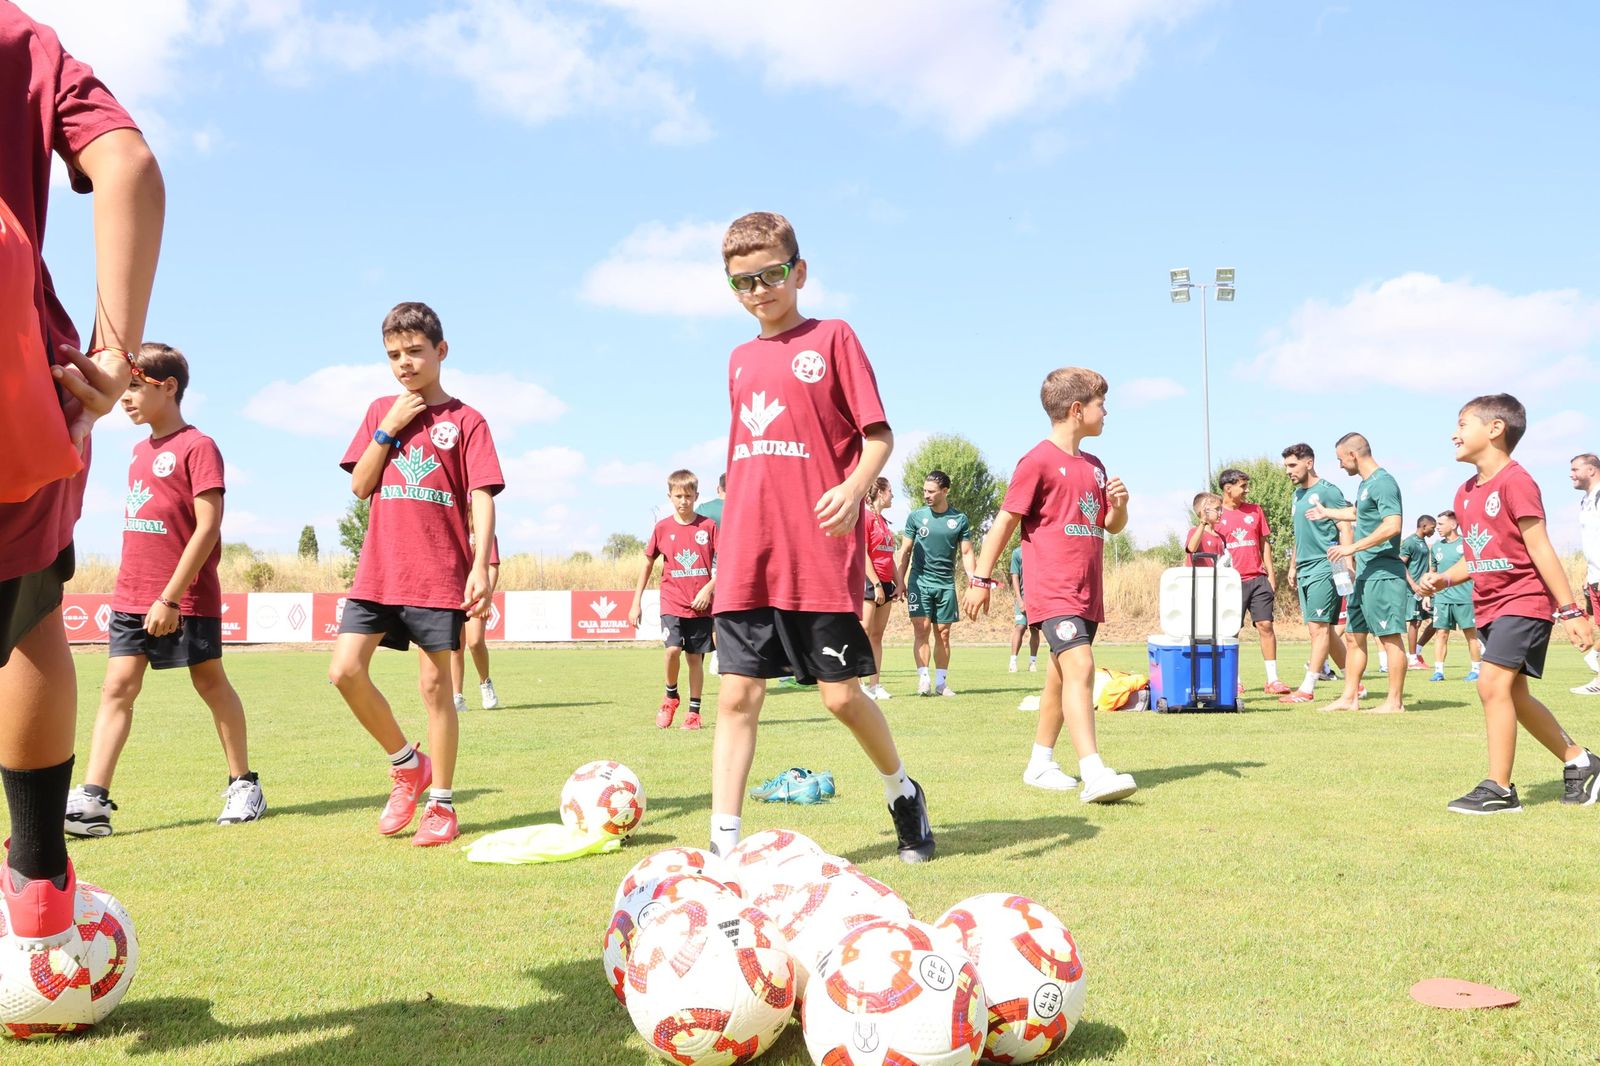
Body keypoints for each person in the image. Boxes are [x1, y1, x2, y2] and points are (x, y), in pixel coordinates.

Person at [1, 3, 164, 945]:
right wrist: (111, 358)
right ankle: (36, 887)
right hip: (18, 385)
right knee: (26, 624)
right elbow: (130, 164)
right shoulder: (17, 37)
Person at [710, 211, 933, 863]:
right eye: (742, 282)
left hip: (817, 555)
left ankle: (902, 792)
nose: (759, 291)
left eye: (770, 275)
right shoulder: (738, 360)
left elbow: (879, 435)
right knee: (737, 695)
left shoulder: (833, 338)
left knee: (840, 697)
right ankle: (724, 850)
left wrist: (854, 484)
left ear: (797, 272)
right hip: (749, 555)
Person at [64, 344, 262, 836]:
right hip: (131, 594)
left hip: (183, 596)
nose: (125, 398)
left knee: (209, 683)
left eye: (134, 387)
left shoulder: (198, 446)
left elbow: (208, 527)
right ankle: (93, 800)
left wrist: (171, 596)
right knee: (116, 688)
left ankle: (244, 785)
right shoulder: (137, 452)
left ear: (167, 386)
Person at [328, 302, 503, 847]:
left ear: (441, 351)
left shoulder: (467, 421)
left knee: (435, 689)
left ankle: (442, 804)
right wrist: (388, 428)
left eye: (415, 352)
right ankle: (407, 764)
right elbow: (359, 488)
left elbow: (481, 499)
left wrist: (481, 567)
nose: (404, 363)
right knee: (344, 672)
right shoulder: (382, 409)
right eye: (394, 355)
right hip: (379, 570)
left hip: (438, 575)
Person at [964, 366, 1138, 804]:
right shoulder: (1036, 461)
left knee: (1061, 679)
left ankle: (1040, 762)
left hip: (1087, 592)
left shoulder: (1095, 466)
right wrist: (981, 579)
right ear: (1078, 410)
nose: (1107, 412)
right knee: (1081, 667)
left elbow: (1110, 526)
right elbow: (1004, 521)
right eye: (1101, 404)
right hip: (1053, 590)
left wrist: (1120, 505)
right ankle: (1093, 771)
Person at [1420, 393, 1599, 812]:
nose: (1454, 434)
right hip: (1489, 605)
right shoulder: (1464, 493)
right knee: (1513, 696)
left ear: (1495, 429)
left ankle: (1499, 789)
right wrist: (1445, 578)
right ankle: (1581, 761)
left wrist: (1570, 610)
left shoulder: (1517, 481)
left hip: (1525, 602)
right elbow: (1479, 554)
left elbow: (1540, 548)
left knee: (1491, 684)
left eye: (1463, 425)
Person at [1307, 433, 1411, 714]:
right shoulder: (1366, 485)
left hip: (1383, 573)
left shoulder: (1384, 482)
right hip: (1364, 574)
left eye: (1341, 459)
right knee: (1353, 636)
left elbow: (1392, 525)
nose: (1340, 465)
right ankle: (1349, 698)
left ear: (1353, 455)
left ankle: (1394, 702)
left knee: (1388, 637)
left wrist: (1351, 546)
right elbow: (1360, 514)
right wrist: (1328, 512)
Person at [628, 469, 717, 730]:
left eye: (688, 496)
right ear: (670, 496)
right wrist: (636, 603)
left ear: (696, 496)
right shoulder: (662, 528)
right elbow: (646, 564)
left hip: (700, 605)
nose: (683, 501)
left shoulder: (709, 527)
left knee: (694, 659)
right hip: (672, 601)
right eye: (678, 496)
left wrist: (708, 589)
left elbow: (725, 564)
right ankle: (670, 697)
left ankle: (694, 714)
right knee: (671, 649)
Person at [1280, 444, 1355, 704]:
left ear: (1309, 462)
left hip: (1328, 565)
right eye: (1286, 466)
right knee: (1326, 630)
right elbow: (1299, 535)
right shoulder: (1297, 495)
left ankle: (1307, 688)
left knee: (1318, 628)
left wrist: (1348, 561)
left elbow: (1345, 526)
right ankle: (1355, 684)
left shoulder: (1328, 491)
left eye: (1292, 465)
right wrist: (1293, 565)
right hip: (1305, 568)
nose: (1288, 471)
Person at [895, 470, 976, 696]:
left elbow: (967, 551)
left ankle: (941, 683)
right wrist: (900, 581)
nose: (926, 495)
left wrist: (974, 579)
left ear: (945, 491)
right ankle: (924, 681)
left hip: (945, 584)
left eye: (931, 492)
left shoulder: (959, 519)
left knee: (944, 633)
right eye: (924, 491)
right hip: (919, 582)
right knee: (921, 631)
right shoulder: (916, 517)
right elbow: (905, 551)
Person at [1214, 468, 1287, 694]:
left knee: (1266, 625)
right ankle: (1233, 680)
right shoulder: (1216, 514)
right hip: (1231, 582)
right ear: (1228, 489)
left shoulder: (1255, 511)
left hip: (1258, 579)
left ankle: (1273, 680)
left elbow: (1265, 544)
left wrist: (1271, 576)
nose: (1247, 490)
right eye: (1243, 486)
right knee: (1230, 631)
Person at [1424, 509, 1481, 681]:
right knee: (1441, 633)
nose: (1438, 527)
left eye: (1441, 524)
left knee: (1470, 634)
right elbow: (1432, 571)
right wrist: (1428, 595)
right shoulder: (1436, 547)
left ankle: (1476, 670)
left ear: (1453, 524)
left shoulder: (1467, 544)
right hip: (1442, 598)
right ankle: (1438, 671)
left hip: (1465, 598)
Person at [448, 533, 499, 712]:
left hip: (476, 595)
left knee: (475, 642)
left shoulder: (485, 531)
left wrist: (487, 596)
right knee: (455, 647)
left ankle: (485, 683)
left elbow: (492, 567)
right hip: (453, 592)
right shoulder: (453, 523)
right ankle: (457, 697)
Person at [861, 476, 897, 699]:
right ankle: (859, 683)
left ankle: (875, 685)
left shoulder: (883, 521)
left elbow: (889, 557)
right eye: (890, 491)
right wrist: (876, 584)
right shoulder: (864, 517)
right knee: (863, 631)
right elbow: (862, 553)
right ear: (881, 492)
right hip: (868, 581)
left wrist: (899, 581)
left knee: (876, 635)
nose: (892, 495)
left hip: (885, 582)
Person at [1568, 453, 1600, 694]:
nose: (1571, 474)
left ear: (1591, 470)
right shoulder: (1585, 501)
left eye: (1575, 469)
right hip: (1594, 577)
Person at [1399, 515, 1436, 669]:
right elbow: (1401, 565)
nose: (1434, 531)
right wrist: (1413, 585)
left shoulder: (1423, 543)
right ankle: (1412, 658)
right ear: (1424, 526)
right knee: (1414, 622)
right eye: (1432, 528)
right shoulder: (1410, 542)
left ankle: (1417, 651)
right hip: (1412, 590)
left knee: (1436, 620)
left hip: (1424, 590)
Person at [1008, 545, 1041, 672]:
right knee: (1020, 627)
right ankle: (1013, 662)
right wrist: (1020, 599)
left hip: (1038, 599)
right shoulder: (1017, 552)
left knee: (1035, 629)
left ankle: (1032, 662)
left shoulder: (1041, 548)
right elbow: (1015, 576)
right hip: (1023, 598)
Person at [1185, 492, 1227, 566]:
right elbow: (1191, 549)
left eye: (1221, 509)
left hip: (1217, 576)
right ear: (1205, 510)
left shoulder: (1221, 537)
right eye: (1217, 509)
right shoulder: (1194, 532)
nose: (1220, 513)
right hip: (1200, 577)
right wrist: (1203, 521)